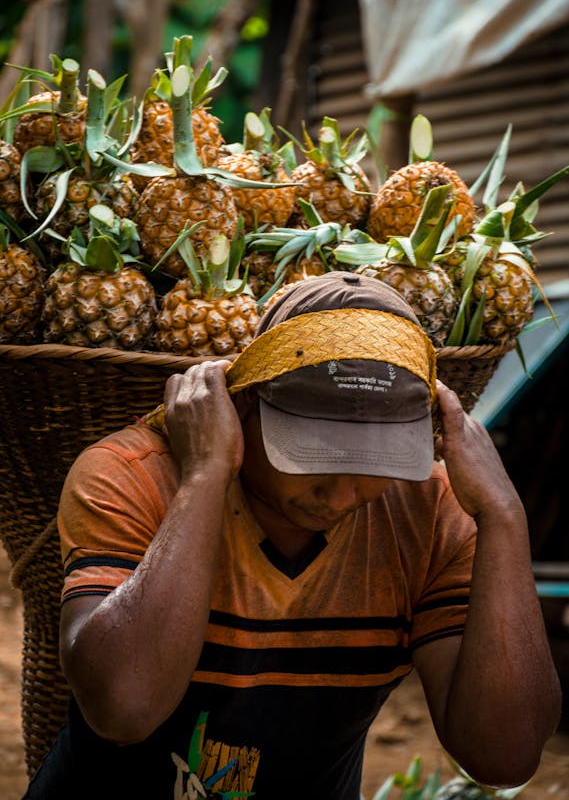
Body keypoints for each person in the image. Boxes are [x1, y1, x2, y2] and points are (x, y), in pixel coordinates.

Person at [24, 271, 560, 799]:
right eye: (314, 456)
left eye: (377, 462)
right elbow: (124, 708)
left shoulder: (430, 508)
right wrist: (206, 477)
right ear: (244, 403)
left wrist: (503, 516)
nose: (346, 494)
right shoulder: (131, 475)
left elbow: (504, 757)